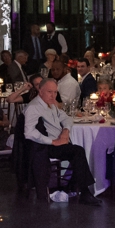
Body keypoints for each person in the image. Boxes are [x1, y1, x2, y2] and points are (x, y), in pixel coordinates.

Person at [23, 78, 100, 206]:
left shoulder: (51, 104)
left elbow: (66, 118)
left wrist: (65, 130)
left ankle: (74, 187)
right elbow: (29, 132)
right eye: (49, 92)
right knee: (78, 151)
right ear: (40, 91)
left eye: (55, 92)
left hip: (58, 140)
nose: (53, 95)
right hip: (44, 146)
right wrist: (52, 141)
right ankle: (84, 192)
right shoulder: (34, 107)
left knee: (78, 152)